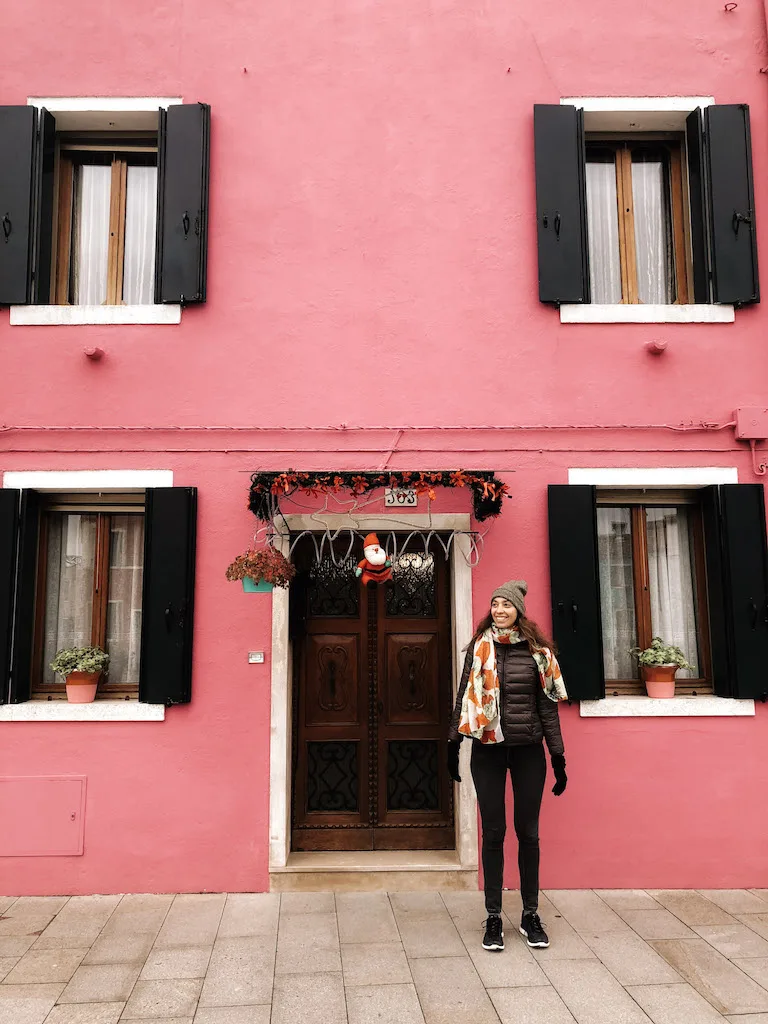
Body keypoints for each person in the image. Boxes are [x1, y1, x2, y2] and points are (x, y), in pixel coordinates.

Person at [447, 579, 568, 952]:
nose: (500, 610)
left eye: (506, 604)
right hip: (487, 749)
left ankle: (530, 914)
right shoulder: (478, 648)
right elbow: (465, 692)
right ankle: (494, 916)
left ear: (519, 610)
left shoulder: (539, 653)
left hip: (528, 750)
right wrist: (454, 743)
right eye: (495, 603)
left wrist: (558, 756)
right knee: (494, 832)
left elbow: (548, 707)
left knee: (528, 832)